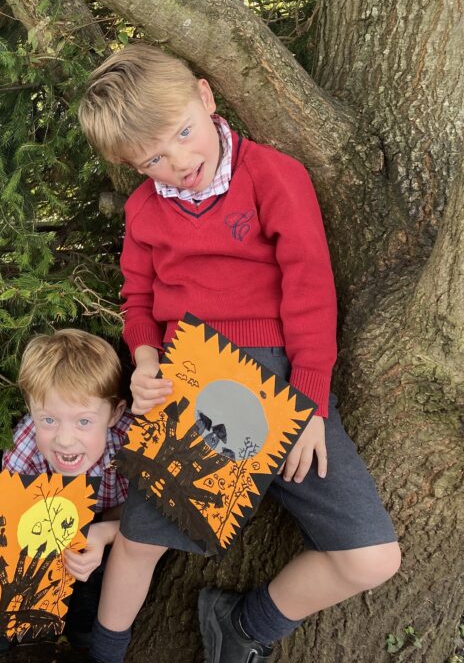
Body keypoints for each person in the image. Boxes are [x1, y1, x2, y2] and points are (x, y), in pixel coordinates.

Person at [76, 43, 401, 663]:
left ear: (205, 95)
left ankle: (244, 626)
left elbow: (310, 290)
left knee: (372, 557)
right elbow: (137, 300)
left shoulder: (273, 176)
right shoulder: (146, 211)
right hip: (198, 392)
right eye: (153, 158)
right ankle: (107, 655)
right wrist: (145, 361)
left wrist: (307, 405)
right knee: (140, 544)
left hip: (290, 391)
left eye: (183, 133)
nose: (178, 160)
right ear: (130, 165)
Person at [0, 329, 132, 653]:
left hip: (102, 531)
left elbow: (150, 514)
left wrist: (106, 535)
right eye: (49, 420)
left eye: (84, 422)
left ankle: (86, 612)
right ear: (31, 409)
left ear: (114, 413)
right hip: (43, 527)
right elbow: (12, 529)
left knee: (123, 535)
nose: (65, 439)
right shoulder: (24, 450)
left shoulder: (131, 445)